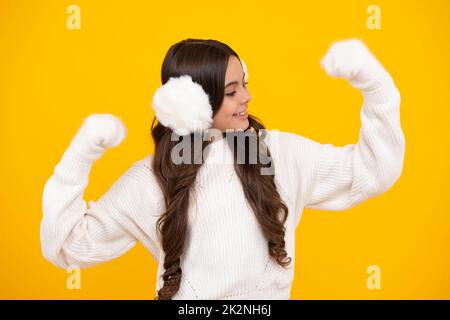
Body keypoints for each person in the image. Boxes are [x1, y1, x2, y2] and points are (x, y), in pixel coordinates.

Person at [40, 38, 405, 300]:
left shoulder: (279, 154)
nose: (246, 97)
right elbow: (67, 246)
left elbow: (374, 169)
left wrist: (375, 85)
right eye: (232, 91)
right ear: (191, 102)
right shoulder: (154, 178)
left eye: (244, 84)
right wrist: (81, 153)